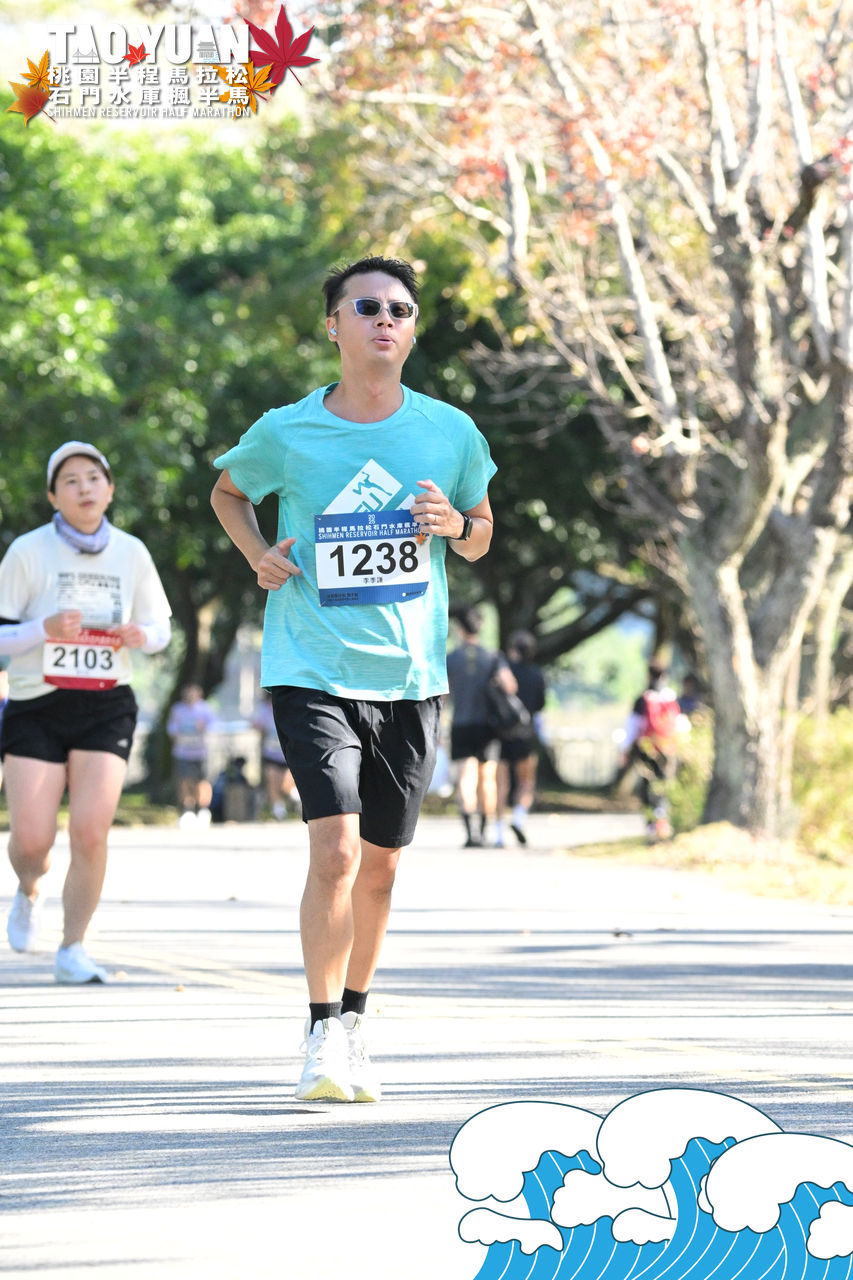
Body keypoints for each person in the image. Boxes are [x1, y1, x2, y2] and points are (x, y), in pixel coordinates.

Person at [211, 254, 496, 1103]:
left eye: (399, 310)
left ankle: (357, 1019)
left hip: (410, 674)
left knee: (380, 867)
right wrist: (257, 554)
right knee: (335, 850)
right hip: (311, 665)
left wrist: (454, 524)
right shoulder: (287, 431)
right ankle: (320, 1030)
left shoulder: (449, 431)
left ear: (412, 330)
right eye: (366, 306)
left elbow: (482, 531)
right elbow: (228, 494)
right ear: (332, 325)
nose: (384, 320)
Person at [0, 441, 171, 983]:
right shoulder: (27, 551)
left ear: (110, 489)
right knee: (32, 841)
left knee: (91, 832)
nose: (84, 488)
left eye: (93, 478)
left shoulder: (132, 552)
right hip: (37, 704)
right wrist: (43, 629)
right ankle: (29, 887)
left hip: (106, 703)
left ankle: (73, 947)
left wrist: (141, 635)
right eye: (70, 481)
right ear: (54, 496)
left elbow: (161, 630)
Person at [445, 605, 514, 848]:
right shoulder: (493, 656)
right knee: (487, 779)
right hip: (488, 726)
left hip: (461, 723)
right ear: (480, 626)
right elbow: (510, 686)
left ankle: (470, 834)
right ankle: (485, 831)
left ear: (460, 628)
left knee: (466, 777)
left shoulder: (451, 658)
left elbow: (443, 696)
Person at [621, 658, 687, 842]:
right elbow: (681, 726)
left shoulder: (643, 699)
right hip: (669, 750)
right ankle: (663, 823)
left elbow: (631, 727)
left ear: (649, 675)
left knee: (648, 787)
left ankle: (652, 826)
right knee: (665, 786)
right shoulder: (672, 700)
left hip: (647, 750)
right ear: (665, 676)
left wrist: (624, 750)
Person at [494, 630, 546, 847]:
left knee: (501, 785)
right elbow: (541, 705)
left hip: (502, 734)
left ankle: (498, 834)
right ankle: (518, 818)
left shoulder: (503, 674)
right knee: (526, 782)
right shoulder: (537, 675)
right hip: (527, 734)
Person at [166, 682, 217, 828]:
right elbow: (171, 727)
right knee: (184, 781)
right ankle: (187, 810)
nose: (190, 695)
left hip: (201, 752)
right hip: (182, 752)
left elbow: (214, 725)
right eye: (188, 692)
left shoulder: (205, 709)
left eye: (193, 692)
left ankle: (203, 810)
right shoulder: (177, 709)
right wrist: (176, 733)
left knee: (202, 782)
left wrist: (205, 727)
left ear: (199, 693)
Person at [251, 690, 301, 819]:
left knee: (286, 784)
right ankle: (278, 810)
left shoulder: (289, 706)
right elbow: (257, 725)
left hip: (287, 753)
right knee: (272, 781)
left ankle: (295, 798)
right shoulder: (265, 710)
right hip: (271, 754)